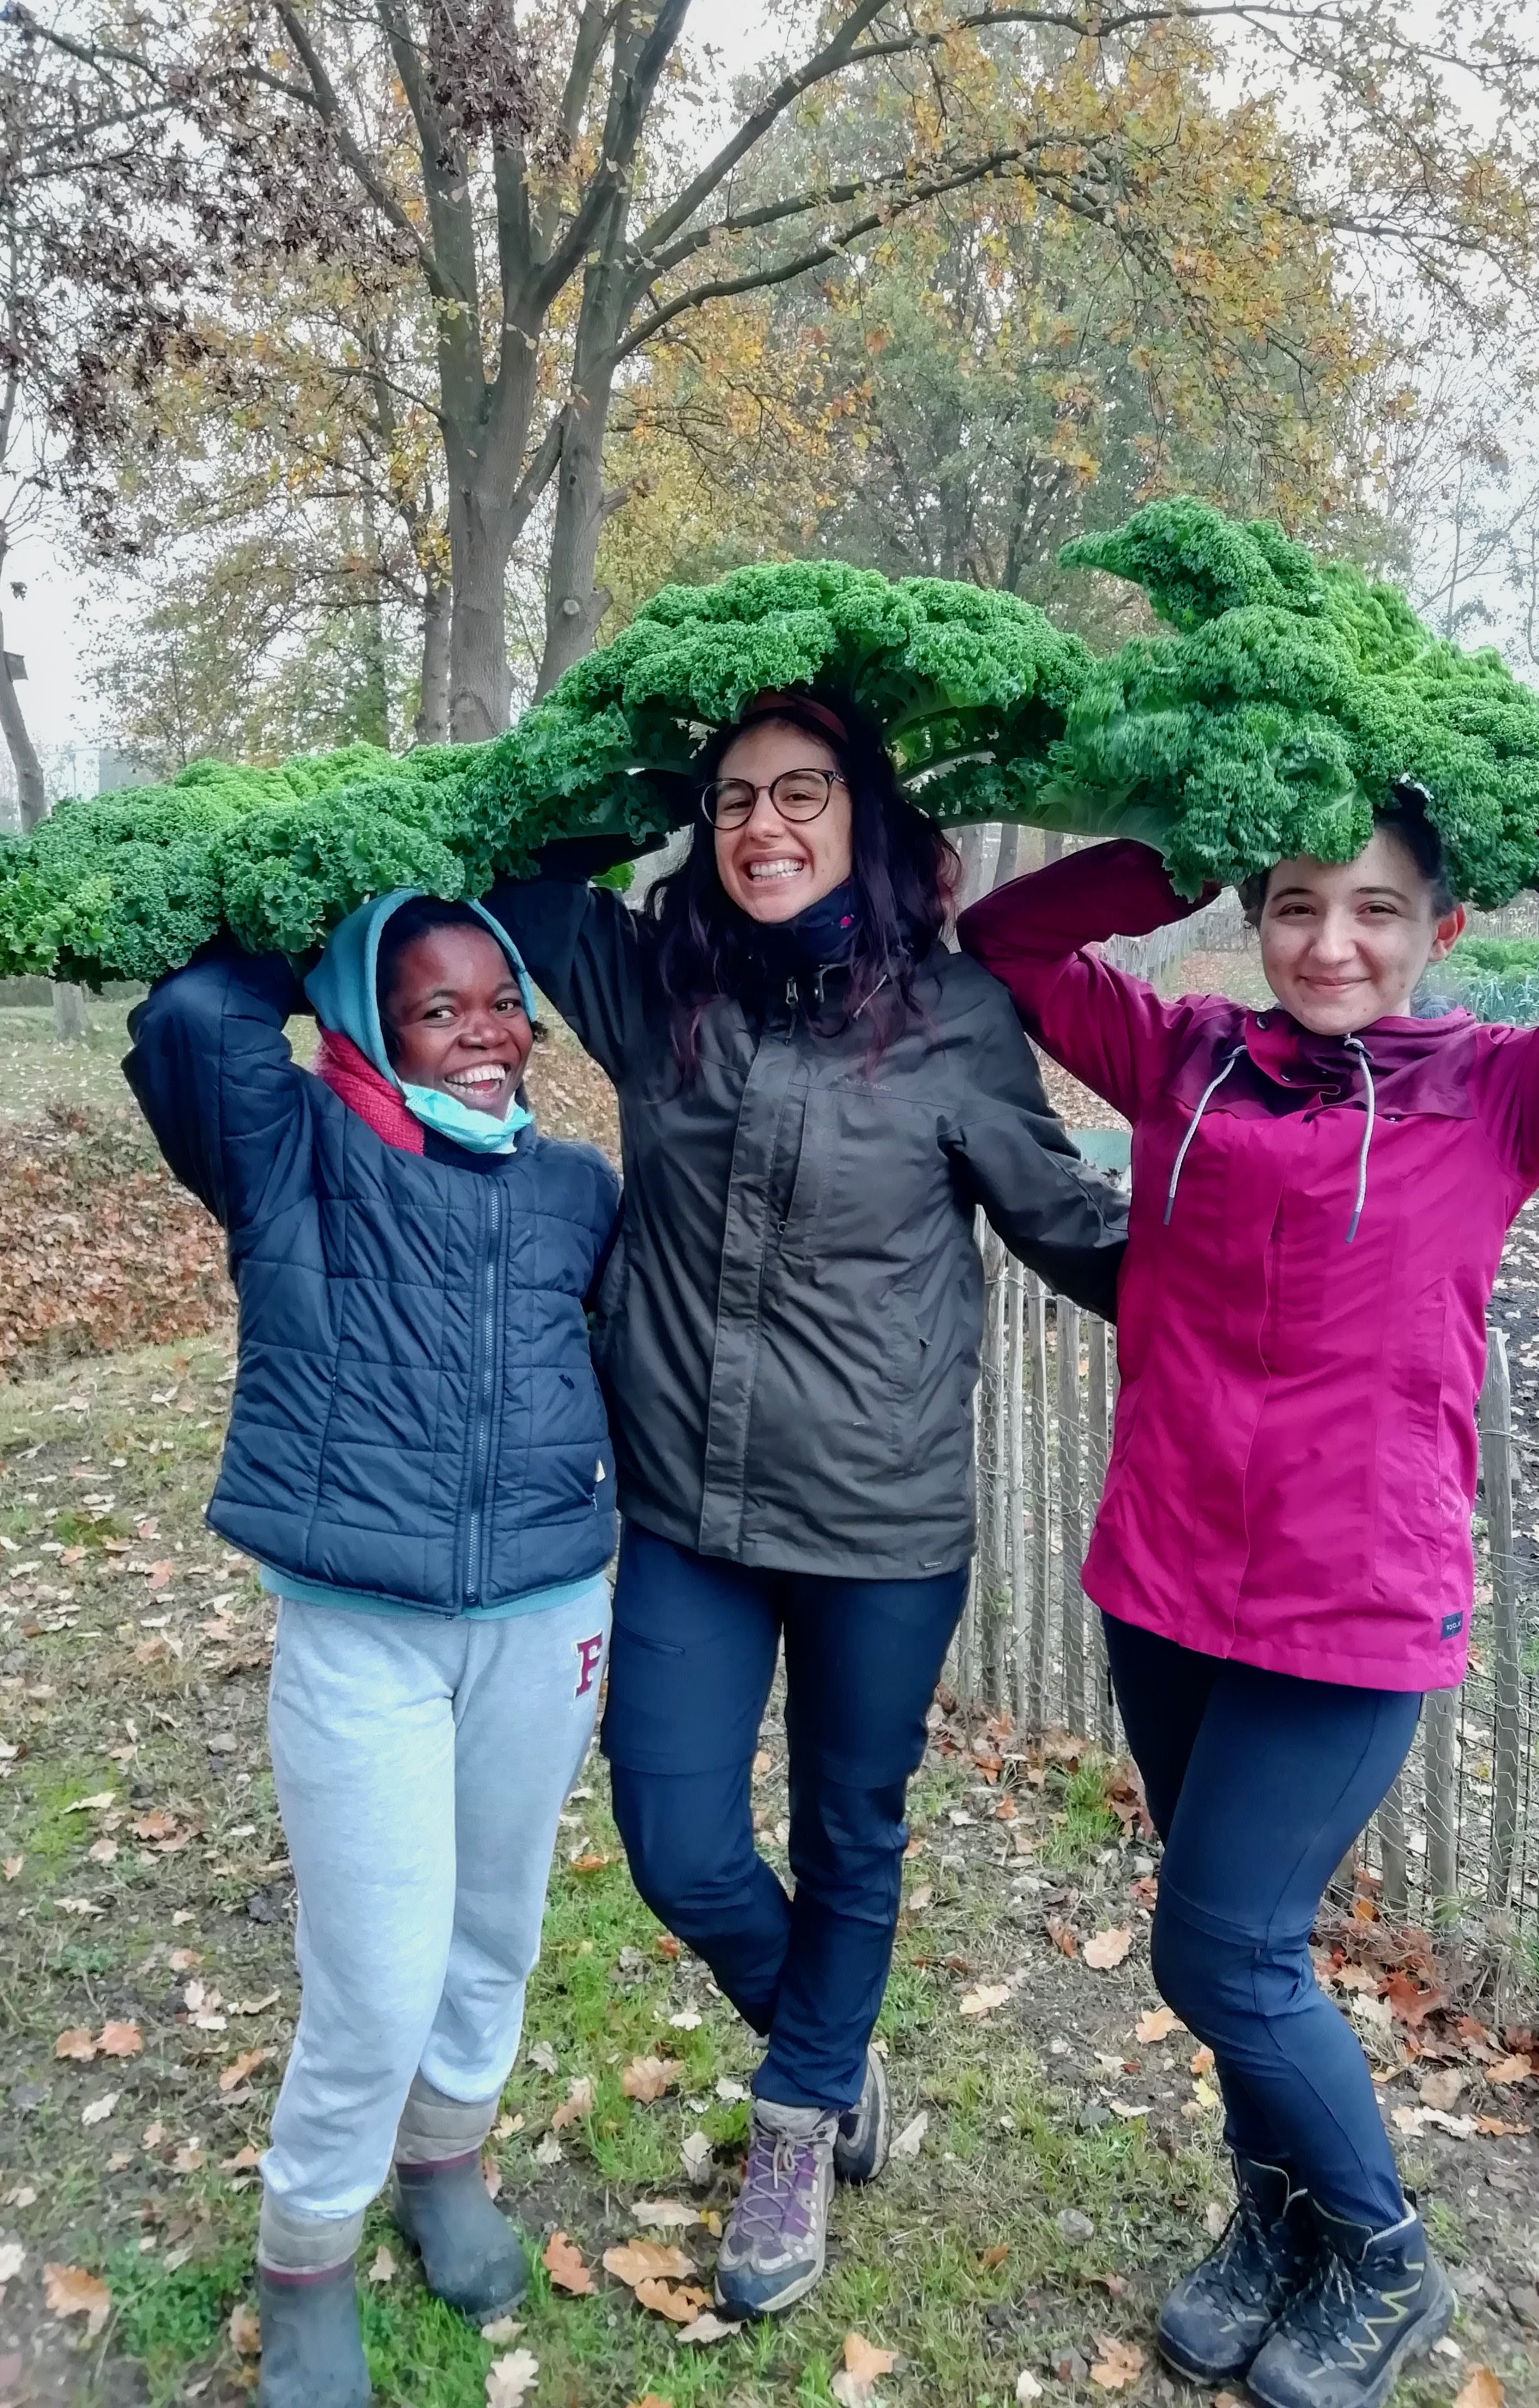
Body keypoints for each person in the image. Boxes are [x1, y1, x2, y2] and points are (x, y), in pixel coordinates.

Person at [958, 756, 1539, 2408]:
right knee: (1245, 1952)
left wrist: (1503, 770)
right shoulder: (1182, 1056)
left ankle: (1383, 2251)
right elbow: (1007, 942)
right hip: (1162, 1583)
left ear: (1443, 927)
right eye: (1295, 904)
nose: (1331, 943)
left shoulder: (1505, 1096)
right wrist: (1186, 837)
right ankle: (1276, 2219)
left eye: (1376, 908)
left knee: (1221, 1953)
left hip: (1349, 1609)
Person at [483, 687, 1126, 2317]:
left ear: (868, 815)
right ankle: (833, 2055)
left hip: (880, 1521)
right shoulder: (656, 987)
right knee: (676, 1838)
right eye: (733, 799)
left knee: (851, 1834)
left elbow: (1065, 1222)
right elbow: (521, 865)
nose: (762, 826)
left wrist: (1261, 1257)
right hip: (686, 1511)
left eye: (802, 792)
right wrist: (655, 759)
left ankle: (792, 2126)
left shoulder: (956, 1017)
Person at [123, 893, 620, 2408]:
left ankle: (446, 2162)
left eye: (501, 999)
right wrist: (334, 891)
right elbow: (194, 1019)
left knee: (496, 1931)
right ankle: (306, 2250)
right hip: (362, 1634)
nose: (483, 1035)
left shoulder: (576, 1189)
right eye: (434, 1006)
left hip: (546, 1613)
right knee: (378, 1974)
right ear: (363, 1018)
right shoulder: (291, 1153)